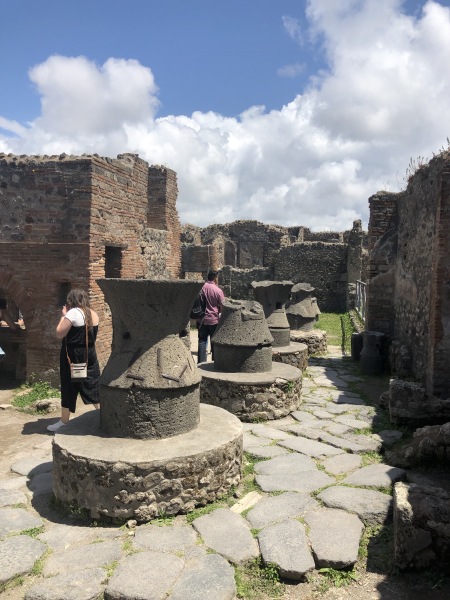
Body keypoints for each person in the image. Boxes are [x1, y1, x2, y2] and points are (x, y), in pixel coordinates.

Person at [47, 289, 100, 432]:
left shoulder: (73, 313)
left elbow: (59, 333)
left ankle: (64, 421)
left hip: (72, 355)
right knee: (93, 384)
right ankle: (102, 415)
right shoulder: (93, 313)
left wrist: (63, 316)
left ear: (71, 300)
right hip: (89, 354)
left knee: (68, 386)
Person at [197, 270, 224, 364]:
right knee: (214, 343)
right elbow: (222, 306)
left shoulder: (201, 288)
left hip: (201, 319)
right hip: (213, 320)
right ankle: (214, 363)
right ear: (215, 278)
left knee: (202, 341)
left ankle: (201, 363)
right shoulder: (218, 291)